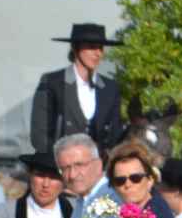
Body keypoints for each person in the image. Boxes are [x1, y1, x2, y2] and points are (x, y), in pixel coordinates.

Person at [30, 23, 126, 154]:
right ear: (75, 48)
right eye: (92, 47)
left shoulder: (110, 88)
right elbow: (39, 136)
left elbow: (115, 135)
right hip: (57, 166)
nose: (98, 53)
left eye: (101, 48)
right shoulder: (52, 83)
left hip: (96, 167)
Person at [104, 141, 180, 218]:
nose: (128, 184)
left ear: (150, 180)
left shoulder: (156, 214)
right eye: (120, 180)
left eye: (136, 178)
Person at [54, 132, 120, 218]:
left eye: (79, 165)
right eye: (65, 168)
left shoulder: (114, 197)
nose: (72, 175)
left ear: (98, 165)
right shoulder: (82, 200)